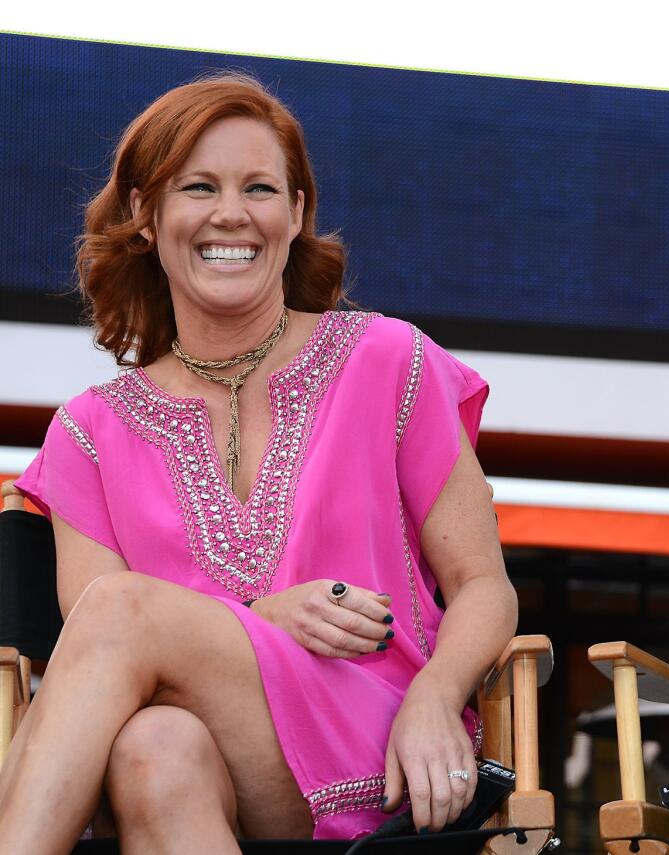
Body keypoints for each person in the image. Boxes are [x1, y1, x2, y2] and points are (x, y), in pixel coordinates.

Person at [0, 73, 518, 852]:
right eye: (198, 186)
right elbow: (97, 660)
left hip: (380, 733)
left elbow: (483, 584)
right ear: (144, 213)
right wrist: (258, 619)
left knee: (119, 610)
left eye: (260, 188)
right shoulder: (88, 433)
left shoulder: (390, 361)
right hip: (199, 745)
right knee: (154, 750)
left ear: (298, 212)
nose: (231, 213)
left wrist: (438, 695)